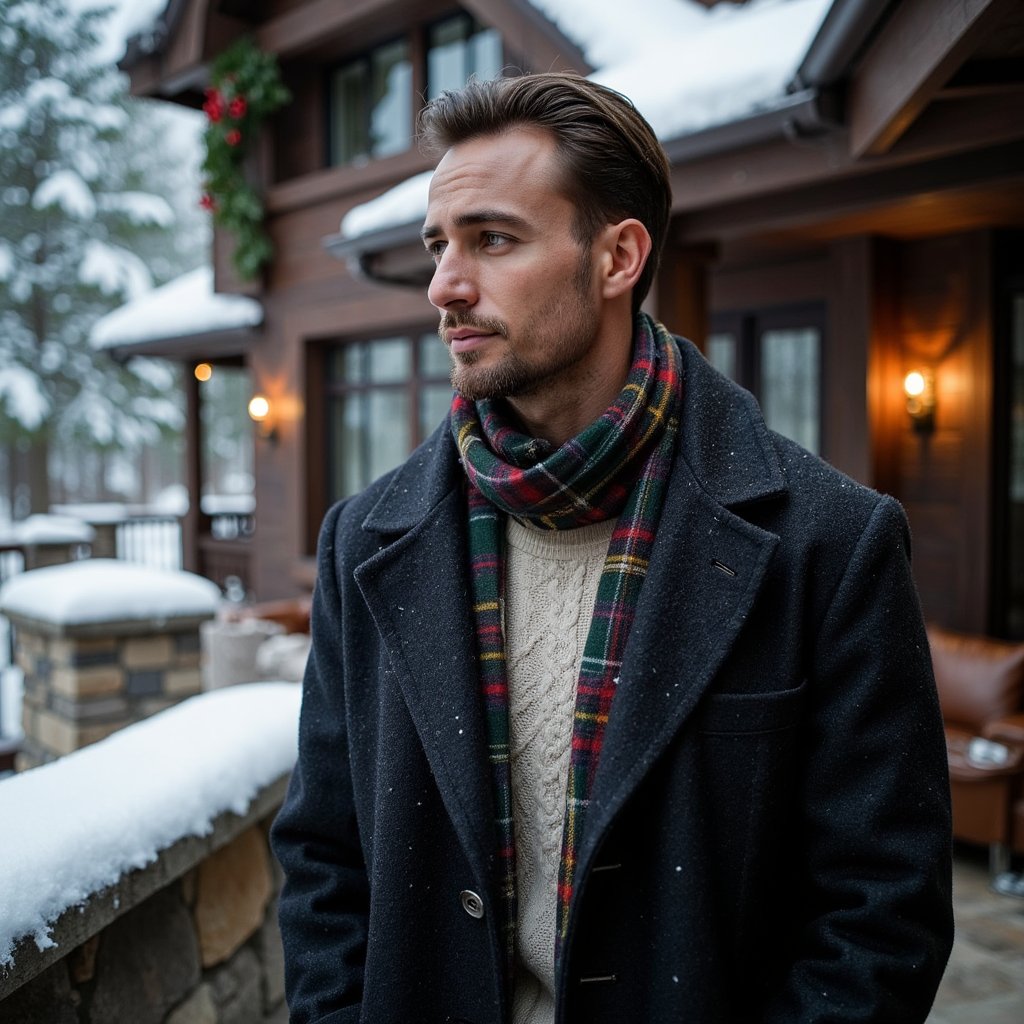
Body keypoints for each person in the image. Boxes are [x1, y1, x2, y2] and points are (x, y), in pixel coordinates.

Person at [270, 72, 953, 1024]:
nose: (444, 286)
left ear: (617, 256)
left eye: (492, 239)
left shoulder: (829, 543)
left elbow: (881, 917)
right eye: (438, 246)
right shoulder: (364, 541)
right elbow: (321, 861)